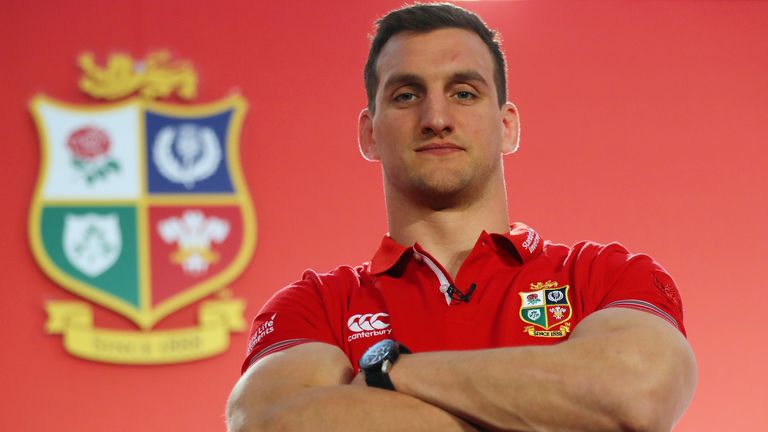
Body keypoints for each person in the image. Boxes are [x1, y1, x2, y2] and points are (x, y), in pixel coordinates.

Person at [226, 3, 697, 431]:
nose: (436, 117)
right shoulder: (315, 307)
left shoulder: (603, 277)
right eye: (407, 95)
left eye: (465, 93)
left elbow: (637, 393)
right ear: (369, 134)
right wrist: (551, 408)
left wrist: (386, 372)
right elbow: (270, 423)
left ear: (507, 125)